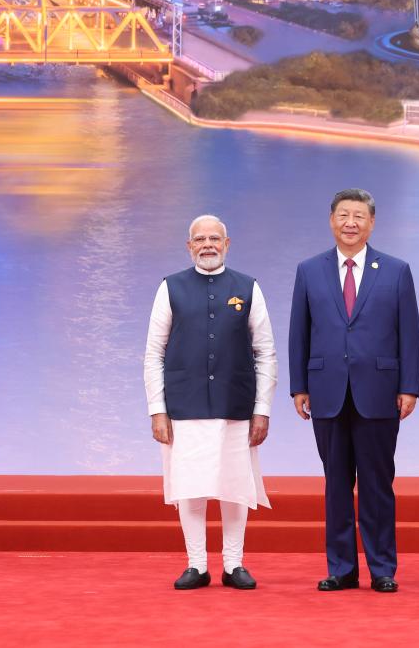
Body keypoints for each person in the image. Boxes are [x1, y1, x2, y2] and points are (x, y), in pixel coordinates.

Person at [288, 189, 419, 593]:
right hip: (326, 390)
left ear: (372, 223)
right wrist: (299, 386)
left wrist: (409, 387)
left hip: (379, 391)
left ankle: (382, 568)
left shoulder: (396, 270)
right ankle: (341, 568)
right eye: (343, 215)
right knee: (336, 484)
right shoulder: (309, 270)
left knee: (378, 484)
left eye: (359, 216)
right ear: (331, 220)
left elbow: (409, 334)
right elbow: (299, 332)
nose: (351, 223)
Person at [144, 214, 278, 591]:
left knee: (236, 486)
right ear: (189, 246)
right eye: (200, 239)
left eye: (214, 239)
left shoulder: (248, 287)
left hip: (236, 404)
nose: (207, 245)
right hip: (183, 406)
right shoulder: (170, 288)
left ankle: (234, 563)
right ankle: (196, 564)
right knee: (190, 486)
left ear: (227, 244)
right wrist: (157, 409)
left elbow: (265, 352)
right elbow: (153, 353)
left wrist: (262, 409)